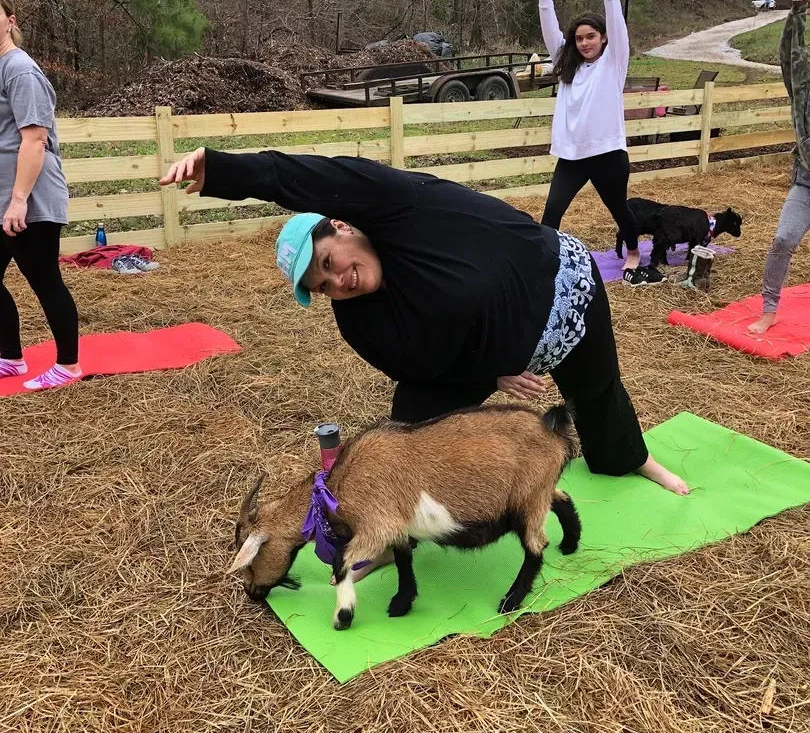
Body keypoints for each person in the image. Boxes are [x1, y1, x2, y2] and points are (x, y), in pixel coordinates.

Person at [160, 146, 690, 514]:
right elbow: (424, 366)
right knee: (412, 419)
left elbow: (310, 176)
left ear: (342, 227)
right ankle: (396, 522)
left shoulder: (397, 207)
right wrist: (495, 371)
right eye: (321, 285)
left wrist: (225, 172)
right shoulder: (359, 321)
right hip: (498, 347)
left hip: (559, 284)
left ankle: (631, 458)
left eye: (328, 260)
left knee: (595, 389)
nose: (336, 281)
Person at [535, 0, 664, 288]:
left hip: (607, 154)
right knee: (552, 211)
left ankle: (634, 253)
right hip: (573, 156)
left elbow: (618, 22)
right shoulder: (567, 65)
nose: (584, 43)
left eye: (591, 36)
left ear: (604, 39)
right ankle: (541, 262)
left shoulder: (613, 63)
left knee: (620, 210)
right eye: (579, 38)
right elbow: (550, 31)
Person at [0, 0, 81, 391]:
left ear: (10, 20)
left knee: (45, 280)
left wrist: (18, 201)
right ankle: (11, 357)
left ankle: (68, 365)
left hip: (28, 199)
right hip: (3, 199)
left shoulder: (20, 69)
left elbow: (34, 139)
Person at [748, 0, 810, 335]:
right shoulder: (805, 97)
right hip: (807, 181)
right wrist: (801, 4)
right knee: (784, 239)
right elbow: (793, 61)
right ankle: (769, 309)